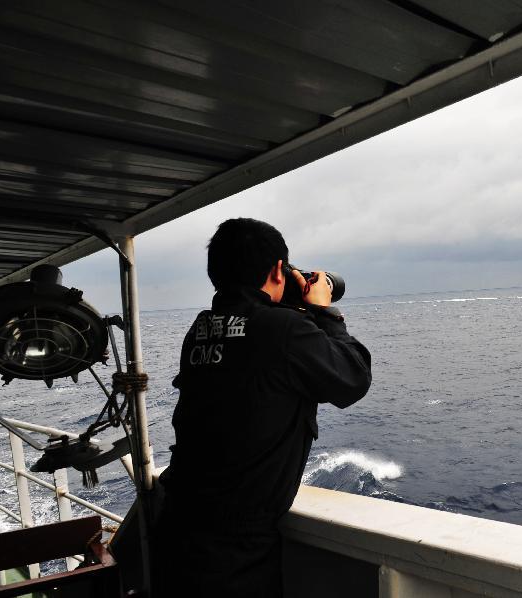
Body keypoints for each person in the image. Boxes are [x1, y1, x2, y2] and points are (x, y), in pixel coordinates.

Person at [153, 218, 372, 596]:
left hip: (179, 525)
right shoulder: (283, 331)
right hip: (235, 551)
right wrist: (323, 311)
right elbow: (352, 379)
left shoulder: (201, 329)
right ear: (276, 270)